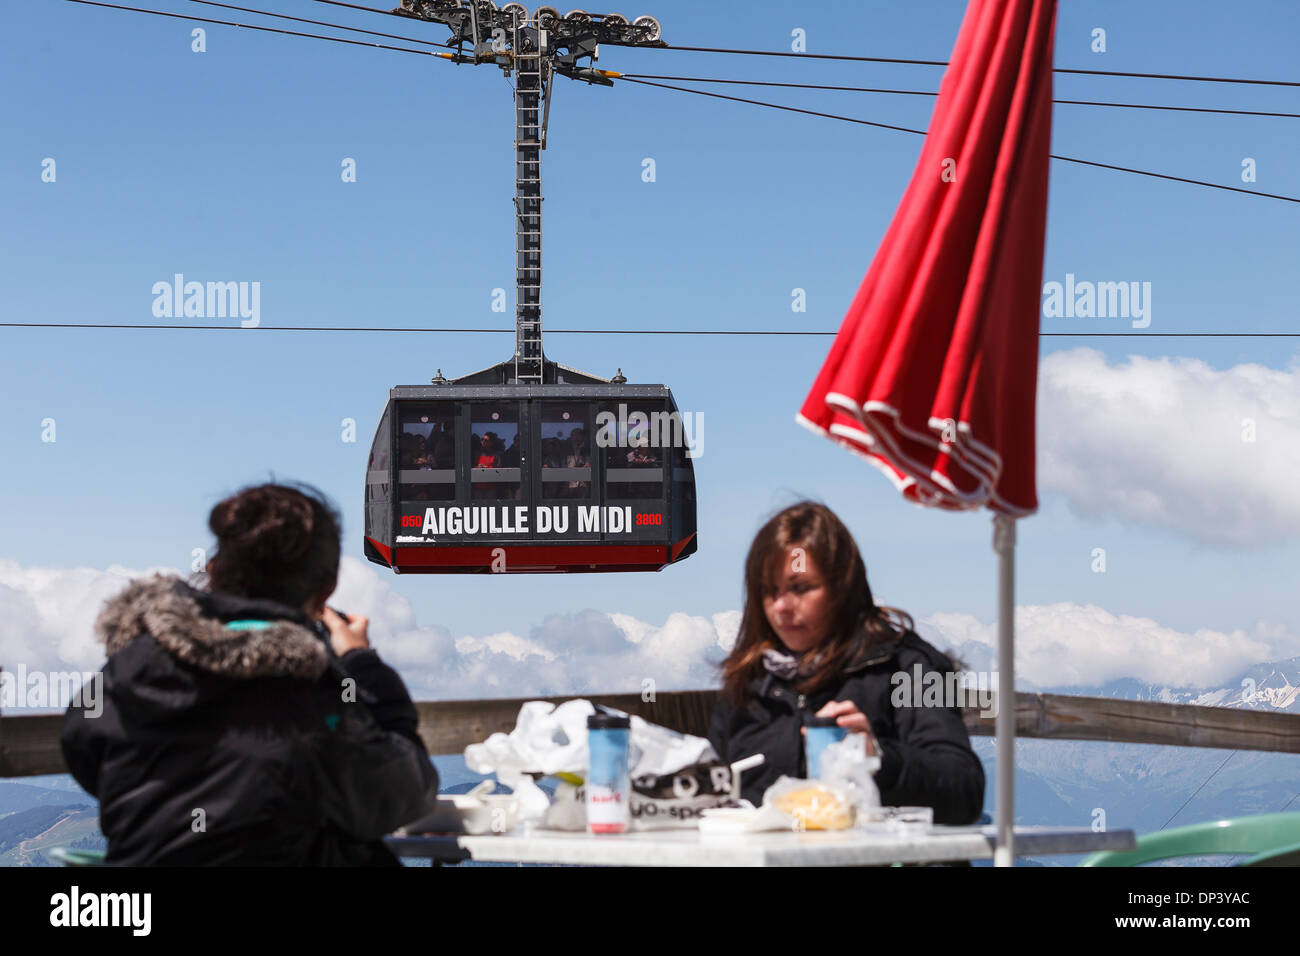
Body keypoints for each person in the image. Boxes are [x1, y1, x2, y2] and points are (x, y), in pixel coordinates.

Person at [60, 482, 439, 865]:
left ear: (211, 571)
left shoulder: (129, 670)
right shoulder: (313, 698)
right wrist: (362, 664)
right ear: (327, 591)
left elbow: (83, 751)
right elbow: (403, 795)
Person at [707, 501, 985, 825]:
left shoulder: (912, 667)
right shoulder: (749, 680)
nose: (781, 606)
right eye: (769, 591)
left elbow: (964, 790)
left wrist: (876, 757)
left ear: (843, 586)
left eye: (800, 588)